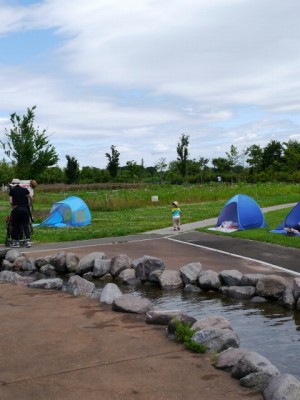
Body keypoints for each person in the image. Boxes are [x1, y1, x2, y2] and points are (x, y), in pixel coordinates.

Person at [8, 178, 33, 248]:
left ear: (13, 184)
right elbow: (31, 198)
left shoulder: (12, 191)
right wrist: (29, 204)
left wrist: (14, 204)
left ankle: (16, 242)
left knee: (16, 225)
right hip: (25, 209)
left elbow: (10, 201)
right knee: (25, 225)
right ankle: (27, 241)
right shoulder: (25, 189)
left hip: (16, 209)